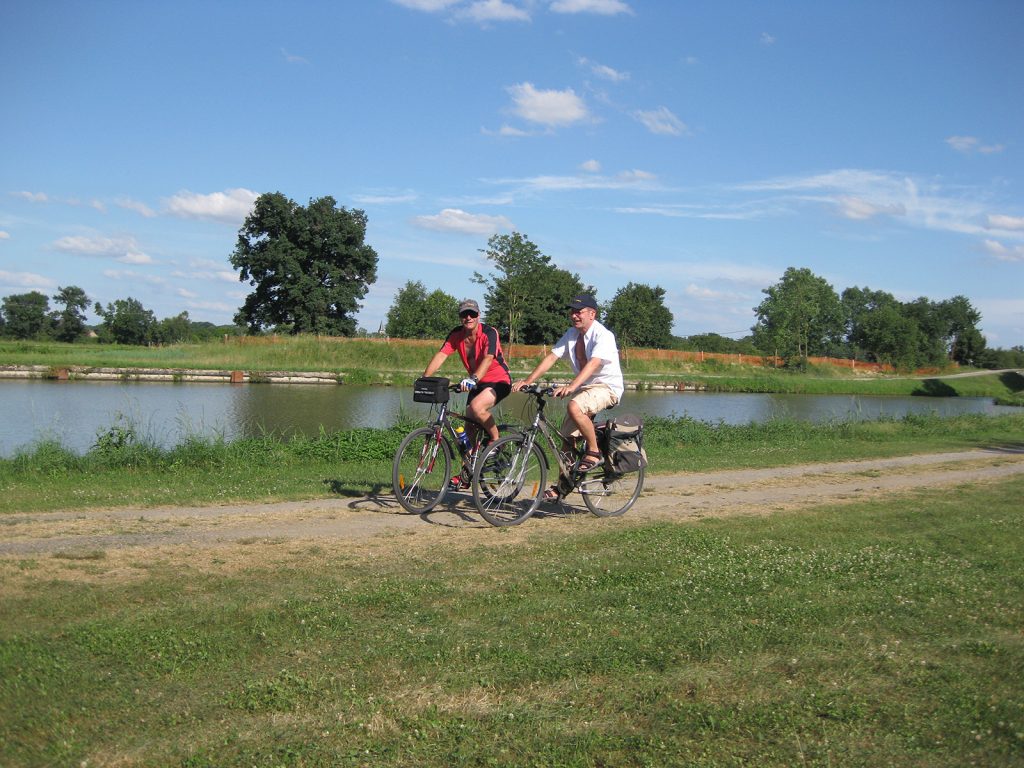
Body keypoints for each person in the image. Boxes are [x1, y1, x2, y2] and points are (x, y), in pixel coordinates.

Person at [512, 292, 624, 498]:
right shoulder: (571, 334)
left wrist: (572, 386)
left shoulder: (603, 335)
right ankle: (563, 486)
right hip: (586, 389)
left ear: (592, 314)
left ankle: (594, 451)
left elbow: (594, 363)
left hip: (606, 387)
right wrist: (528, 381)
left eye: (579, 312)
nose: (574, 316)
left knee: (574, 406)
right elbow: (551, 357)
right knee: (566, 440)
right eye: (572, 312)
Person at [422, 299, 512, 448]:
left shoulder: (489, 332)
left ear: (478, 315)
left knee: (477, 408)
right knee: (469, 427)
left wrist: (473, 379)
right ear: (460, 316)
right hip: (476, 384)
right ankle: (467, 470)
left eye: (472, 313)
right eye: (465, 314)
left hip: (498, 381)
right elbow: (442, 355)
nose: (468, 317)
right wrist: (425, 378)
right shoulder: (456, 334)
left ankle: (496, 442)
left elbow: (488, 358)